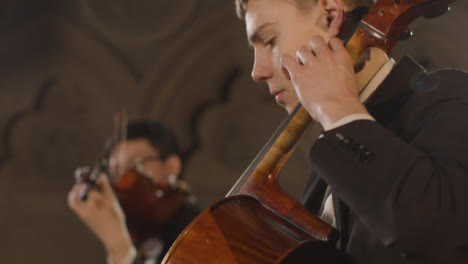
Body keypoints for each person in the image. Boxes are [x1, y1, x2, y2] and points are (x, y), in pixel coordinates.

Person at [235, 0, 468, 263]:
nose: (256, 71)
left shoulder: (453, 98)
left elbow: (441, 233)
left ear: (331, 17)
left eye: (269, 40)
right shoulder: (323, 172)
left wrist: (337, 109)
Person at [68, 121, 200, 264]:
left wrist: (120, 248)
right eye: (115, 171)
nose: (122, 181)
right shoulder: (142, 239)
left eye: (136, 164)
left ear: (171, 166)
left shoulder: (198, 233)